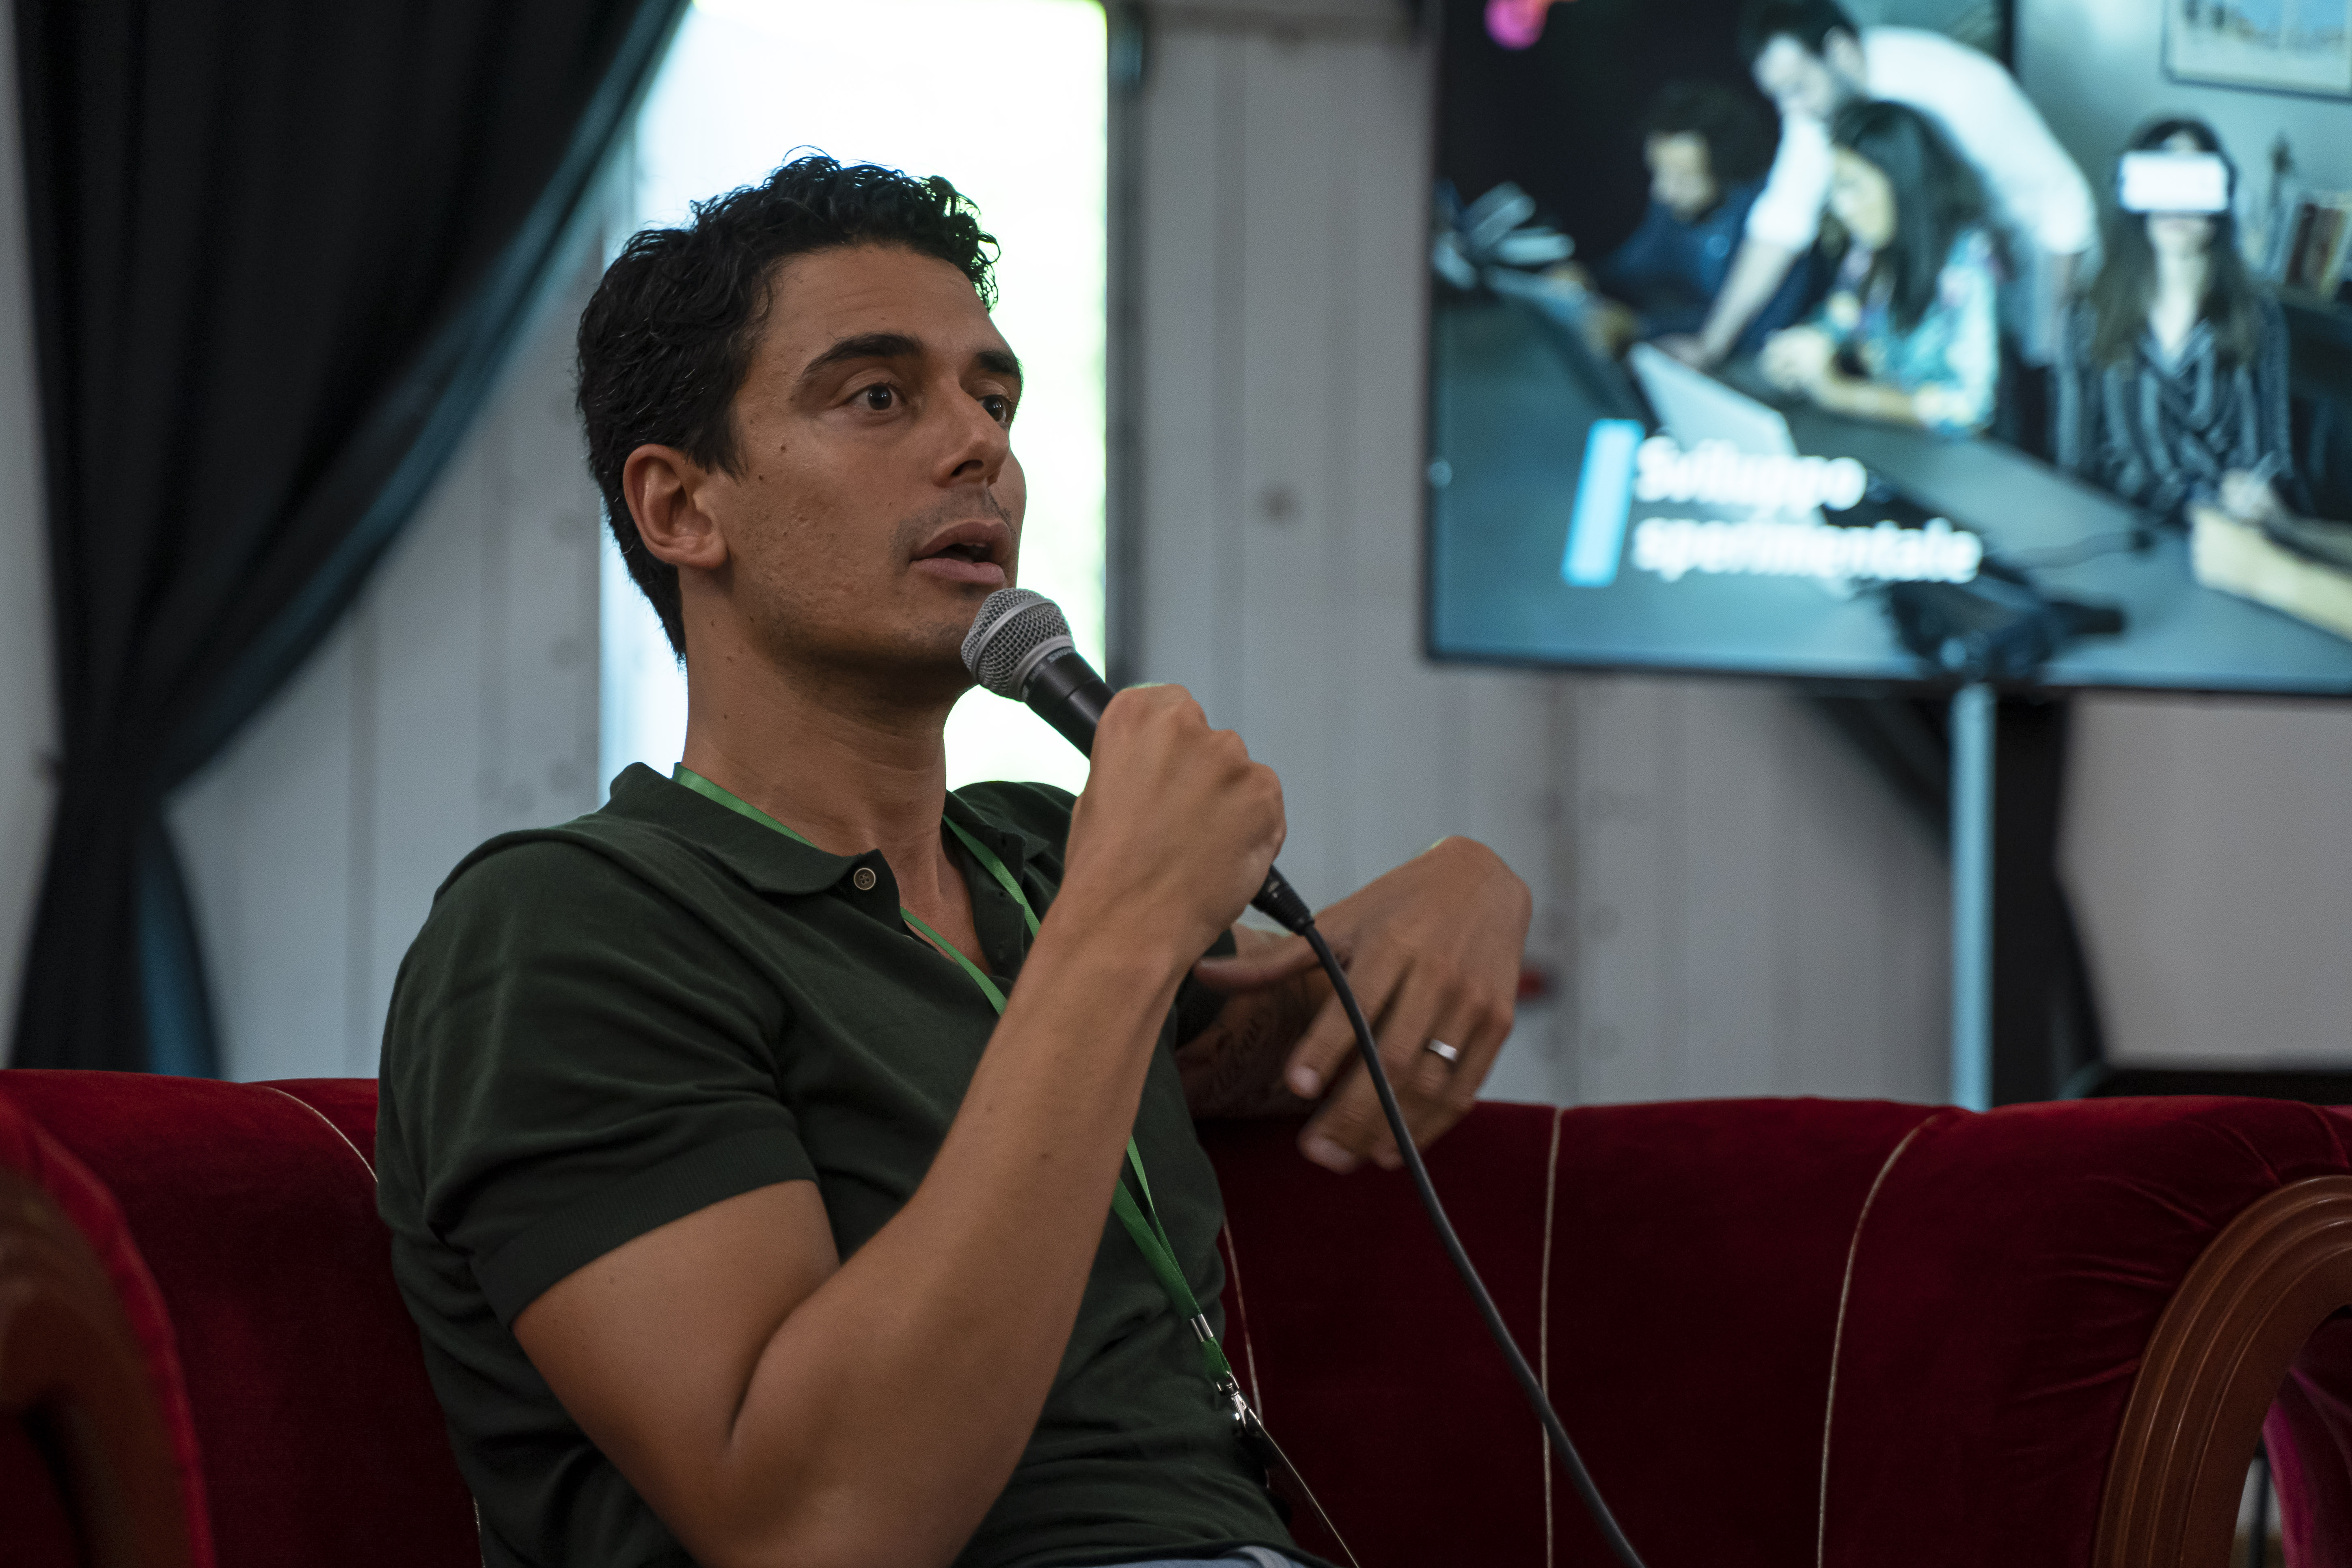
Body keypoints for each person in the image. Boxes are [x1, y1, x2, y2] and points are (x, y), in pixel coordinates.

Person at [374, 155, 1532, 1568]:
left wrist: (1462, 879)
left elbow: (1270, 1033)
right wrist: (1122, 927)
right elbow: (814, 1528)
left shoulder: (1034, 856)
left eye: (994, 400)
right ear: (681, 509)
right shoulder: (568, 923)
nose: (975, 445)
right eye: (877, 396)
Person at [1666, 0, 2093, 372]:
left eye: (1796, 89)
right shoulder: (1815, 105)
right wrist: (1710, 344)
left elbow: (2065, 202)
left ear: (1840, 50)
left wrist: (2050, 347)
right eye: (1778, 96)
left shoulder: (1959, 86)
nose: (1791, 110)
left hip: (2046, 265)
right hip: (1948, 282)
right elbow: (1781, 223)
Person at [2053, 119, 2307, 533]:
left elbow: (2270, 454)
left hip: (2226, 533)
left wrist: (2253, 497)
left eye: (2193, 182)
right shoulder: (2087, 315)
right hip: (2122, 532)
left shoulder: (2256, 315)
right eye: (2163, 180)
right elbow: (2073, 460)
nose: (2178, 206)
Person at [1758, 100, 2001, 435]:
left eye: (1853, 186)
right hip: (1896, 442)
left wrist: (1842, 395)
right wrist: (1805, 348)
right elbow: (1839, 318)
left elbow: (1970, 408)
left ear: (1902, 182)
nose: (1841, 206)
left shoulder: (1970, 259)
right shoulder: (1867, 252)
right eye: (1836, 187)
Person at [1588, 80, 1814, 357]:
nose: (1662, 192)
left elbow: (1754, 329)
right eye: (1659, 173)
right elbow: (1635, 268)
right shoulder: (1675, 208)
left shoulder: (1768, 222)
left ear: (1726, 167)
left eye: (1683, 178)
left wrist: (1642, 326)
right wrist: (1587, 279)